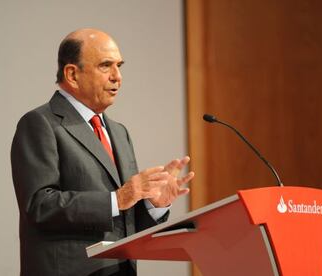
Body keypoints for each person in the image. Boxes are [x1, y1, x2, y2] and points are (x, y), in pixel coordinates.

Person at [11, 28, 194, 276]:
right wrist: (117, 199)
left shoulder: (119, 132)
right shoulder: (40, 123)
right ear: (72, 74)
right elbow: (40, 205)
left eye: (119, 66)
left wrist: (153, 205)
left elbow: (123, 223)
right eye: (106, 66)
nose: (117, 76)